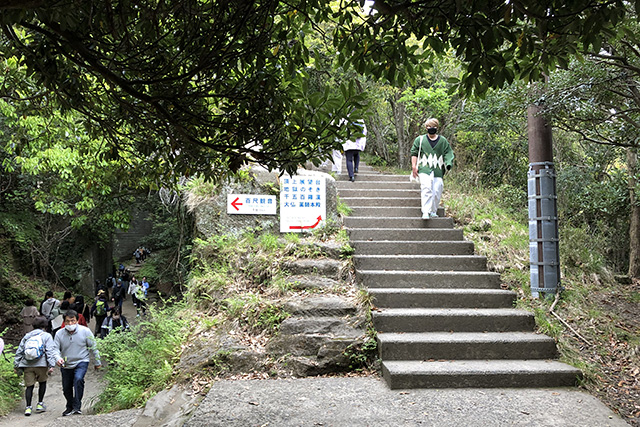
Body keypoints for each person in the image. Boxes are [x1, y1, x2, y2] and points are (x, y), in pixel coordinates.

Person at [53, 310, 101, 416]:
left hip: (82, 360)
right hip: (66, 362)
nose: (70, 324)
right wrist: (57, 358)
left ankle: (77, 406)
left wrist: (97, 361)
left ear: (77, 320)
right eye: (67, 321)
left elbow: (94, 347)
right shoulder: (59, 334)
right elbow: (55, 349)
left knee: (78, 379)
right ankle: (69, 406)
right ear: (64, 322)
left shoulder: (85, 331)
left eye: (72, 321)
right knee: (66, 387)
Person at [410, 118, 454, 219]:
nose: (431, 128)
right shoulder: (420, 140)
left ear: (437, 127)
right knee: (426, 188)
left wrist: (448, 163)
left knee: (437, 190)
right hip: (424, 168)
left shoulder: (442, 141)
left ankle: (433, 211)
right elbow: (414, 153)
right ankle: (425, 211)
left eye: (433, 127)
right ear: (426, 128)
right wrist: (414, 166)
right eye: (429, 127)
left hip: (438, 169)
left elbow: (448, 152)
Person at [14, 316, 57, 416]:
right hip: (42, 365)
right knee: (42, 383)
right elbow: (50, 351)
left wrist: (17, 364)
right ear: (45, 326)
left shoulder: (27, 336)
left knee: (29, 386)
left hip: (27, 364)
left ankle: (28, 407)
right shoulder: (47, 336)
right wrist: (51, 365)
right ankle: (40, 404)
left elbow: (20, 351)